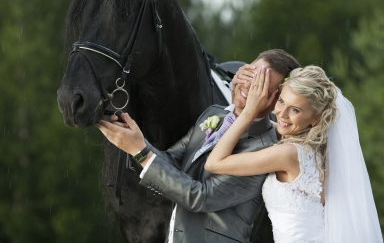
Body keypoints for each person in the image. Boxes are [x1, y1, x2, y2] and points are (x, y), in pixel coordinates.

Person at [95, 49, 301, 243]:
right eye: (250, 74)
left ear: (277, 100)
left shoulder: (265, 148)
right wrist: (135, 139)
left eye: (261, 86)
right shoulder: (214, 113)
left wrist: (140, 151)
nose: (248, 85)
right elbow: (173, 162)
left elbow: (201, 197)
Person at [205, 66, 384, 243]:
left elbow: (214, 163)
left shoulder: (288, 154)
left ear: (315, 118)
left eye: (295, 110)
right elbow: (270, 126)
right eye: (281, 101)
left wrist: (249, 112)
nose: (281, 114)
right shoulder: (319, 149)